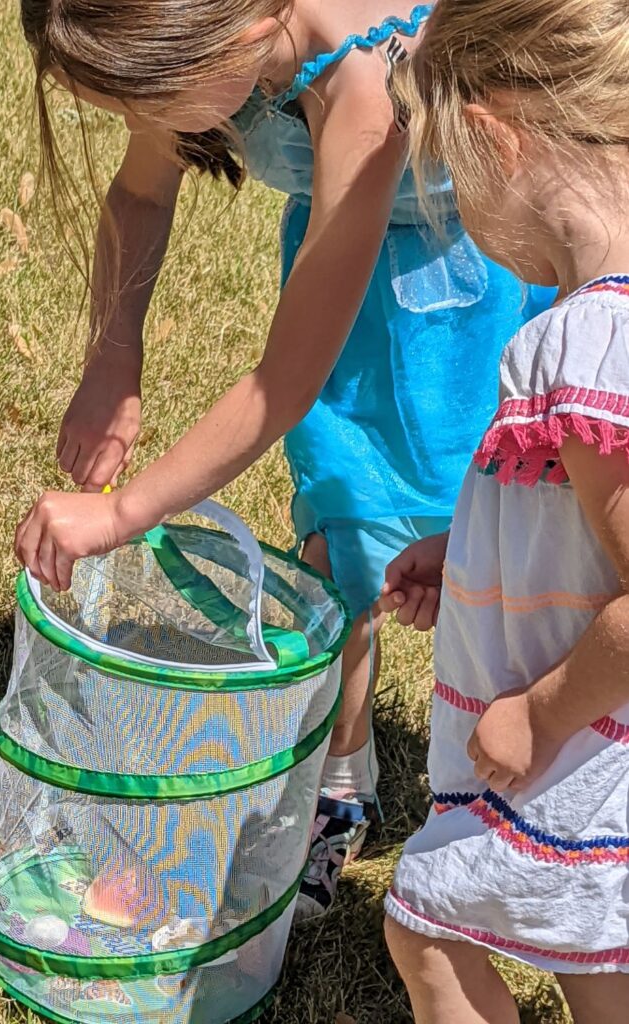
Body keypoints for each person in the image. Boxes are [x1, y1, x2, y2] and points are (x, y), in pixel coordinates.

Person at [15, 0, 551, 918]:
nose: (149, 124)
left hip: (485, 284)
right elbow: (140, 194)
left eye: (150, 99)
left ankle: (532, 794)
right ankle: (340, 786)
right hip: (343, 288)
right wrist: (113, 350)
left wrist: (118, 513)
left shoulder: (364, 88)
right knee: (343, 553)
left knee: (512, 549)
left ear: (234, 39)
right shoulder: (198, 29)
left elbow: (279, 385)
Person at [380, 1, 629, 1020]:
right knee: (596, 956)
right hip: (592, 749)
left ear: (490, 140)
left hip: (578, 740)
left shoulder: (580, 346)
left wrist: (537, 711)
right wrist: (472, 549)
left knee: (421, 923)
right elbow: (584, 525)